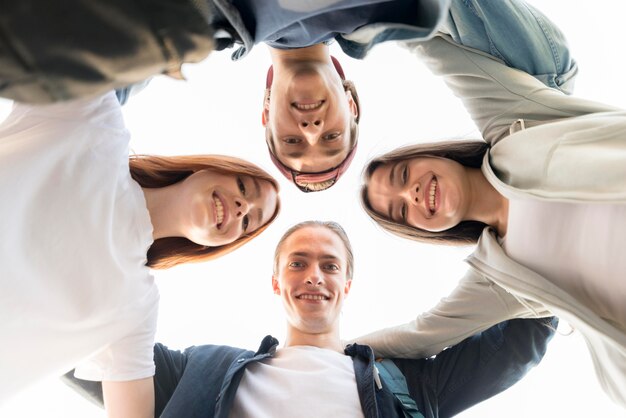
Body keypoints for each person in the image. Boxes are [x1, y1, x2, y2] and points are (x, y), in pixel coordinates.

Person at [357, 10, 626, 409]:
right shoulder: (497, 279)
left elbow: (434, 48)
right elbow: (420, 337)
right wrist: (320, 350)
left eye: (402, 175)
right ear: (421, 231)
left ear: (431, 155)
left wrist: (358, 21)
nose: (410, 195)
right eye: (399, 212)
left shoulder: (513, 125)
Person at [62, 221, 557, 417]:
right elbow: (75, 342)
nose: (313, 275)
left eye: (329, 265)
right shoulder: (200, 368)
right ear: (277, 283)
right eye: (297, 263)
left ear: (347, 284)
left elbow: (526, 331)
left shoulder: (405, 385)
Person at [0, 91, 280, 404]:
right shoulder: (96, 127)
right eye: (243, 187)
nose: (242, 207)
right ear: (212, 167)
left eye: (247, 224)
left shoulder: (134, 308)